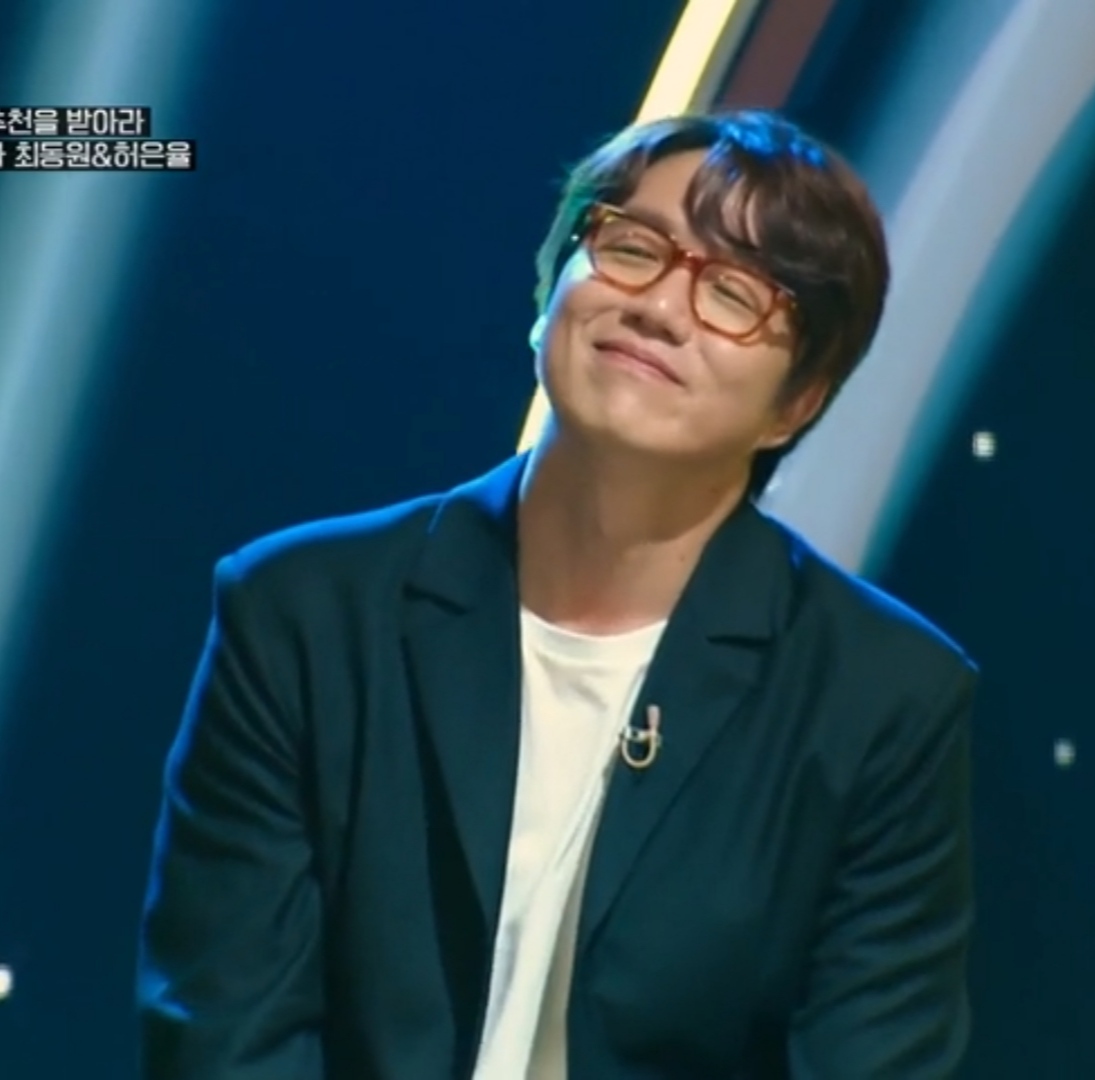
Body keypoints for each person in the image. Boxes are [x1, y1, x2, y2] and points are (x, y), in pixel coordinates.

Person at [137, 109, 978, 1079]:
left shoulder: (883, 700)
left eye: (734, 294)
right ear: (551, 287)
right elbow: (227, 1032)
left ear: (796, 403)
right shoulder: (304, 613)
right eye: (632, 248)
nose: (660, 308)